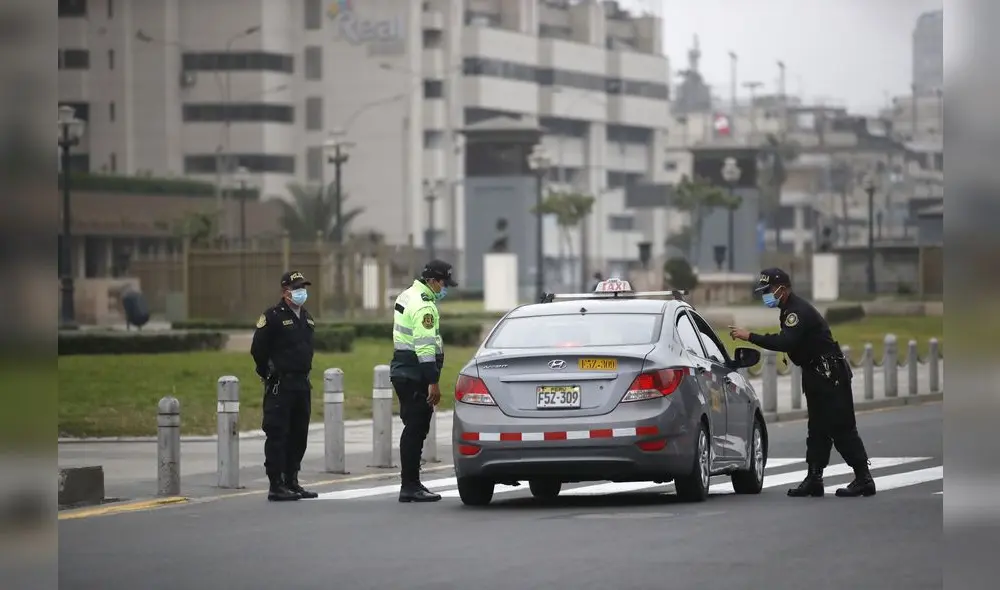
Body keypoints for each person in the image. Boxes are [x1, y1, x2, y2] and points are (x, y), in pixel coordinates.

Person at [728, 267, 876, 498]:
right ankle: (814, 478)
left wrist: (750, 336)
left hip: (830, 374)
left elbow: (785, 342)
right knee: (817, 428)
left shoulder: (796, 312)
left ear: (782, 289)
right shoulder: (788, 309)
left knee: (841, 426)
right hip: (817, 374)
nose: (766, 295)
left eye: (768, 290)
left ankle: (864, 478)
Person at [390, 259, 457, 502]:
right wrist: (433, 381)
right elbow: (425, 348)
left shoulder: (408, 294)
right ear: (433, 281)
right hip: (415, 373)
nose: (444, 288)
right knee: (416, 430)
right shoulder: (424, 306)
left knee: (413, 427)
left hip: (403, 369)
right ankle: (409, 485)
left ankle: (412, 483)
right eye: (443, 283)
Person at [250, 270, 319, 502]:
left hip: (302, 384)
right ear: (285, 291)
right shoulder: (272, 316)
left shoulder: (307, 318)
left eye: (303, 288)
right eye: (297, 288)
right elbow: (258, 349)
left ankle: (292, 480)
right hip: (281, 384)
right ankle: (276, 484)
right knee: (278, 434)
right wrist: (267, 372)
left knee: (299, 435)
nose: (302, 292)